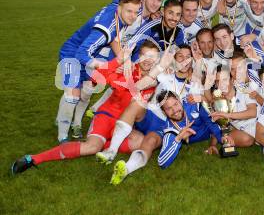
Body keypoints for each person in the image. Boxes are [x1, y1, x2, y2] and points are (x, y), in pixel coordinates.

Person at [11, 41, 161, 175]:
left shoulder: (159, 79)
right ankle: (34, 159)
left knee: (140, 141)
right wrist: (115, 65)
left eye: (152, 56)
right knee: (92, 148)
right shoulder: (125, 69)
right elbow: (95, 78)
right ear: (138, 55)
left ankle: (105, 146)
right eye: (145, 55)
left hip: (125, 126)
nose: (148, 60)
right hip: (107, 117)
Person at [56, 0, 141, 142]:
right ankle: (62, 136)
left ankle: (75, 123)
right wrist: (106, 66)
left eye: (136, 12)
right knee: (73, 96)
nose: (133, 16)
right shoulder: (106, 30)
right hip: (71, 54)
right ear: (120, 8)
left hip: (89, 53)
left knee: (87, 90)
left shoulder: (115, 7)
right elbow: (82, 53)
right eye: (129, 11)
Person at [156, 91, 229, 169]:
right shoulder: (170, 129)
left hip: (211, 132)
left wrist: (222, 138)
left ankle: (214, 143)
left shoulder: (192, 104)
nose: (175, 110)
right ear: (164, 112)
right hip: (208, 134)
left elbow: (210, 121)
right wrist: (178, 138)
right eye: (169, 108)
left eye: (175, 104)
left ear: (180, 101)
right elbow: (162, 162)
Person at [208, 65, 257, 148]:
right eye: (217, 81)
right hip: (243, 132)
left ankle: (228, 138)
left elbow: (253, 112)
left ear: (232, 80)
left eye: (224, 80)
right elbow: (218, 125)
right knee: (247, 139)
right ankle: (226, 139)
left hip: (259, 125)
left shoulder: (244, 89)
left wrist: (227, 115)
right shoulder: (217, 100)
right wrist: (212, 145)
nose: (221, 85)